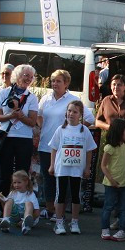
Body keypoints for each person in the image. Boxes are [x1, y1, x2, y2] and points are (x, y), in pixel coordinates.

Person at [36, 70, 85, 220]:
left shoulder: (73, 100)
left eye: (58, 81)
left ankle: (61, 212)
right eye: (53, 81)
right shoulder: (45, 98)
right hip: (46, 145)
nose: (55, 84)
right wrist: (39, 131)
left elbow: (88, 119)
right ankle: (50, 209)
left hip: (66, 148)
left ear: (66, 83)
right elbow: (39, 117)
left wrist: (74, 131)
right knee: (48, 178)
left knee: (64, 180)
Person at [48, 99, 96, 235]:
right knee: (61, 194)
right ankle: (59, 222)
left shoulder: (84, 130)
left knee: (76, 195)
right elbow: (54, 148)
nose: (71, 114)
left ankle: (74, 221)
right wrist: (52, 165)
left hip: (77, 169)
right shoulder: (61, 129)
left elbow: (89, 150)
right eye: (69, 111)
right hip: (62, 168)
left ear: (80, 115)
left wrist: (87, 168)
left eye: (75, 112)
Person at [0, 64, 39, 195]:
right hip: (6, 137)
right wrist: (10, 116)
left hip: (24, 139)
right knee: (4, 172)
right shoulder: (3, 93)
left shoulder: (32, 98)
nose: (28, 79)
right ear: (17, 76)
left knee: (22, 173)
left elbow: (32, 122)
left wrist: (20, 116)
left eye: (31, 77)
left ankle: (21, 202)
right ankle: (2, 203)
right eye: (26, 76)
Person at [100, 118, 125, 242]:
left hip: (124, 182)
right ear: (119, 132)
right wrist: (111, 180)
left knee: (124, 208)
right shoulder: (109, 148)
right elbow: (103, 165)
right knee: (108, 206)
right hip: (111, 183)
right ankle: (105, 229)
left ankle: (123, 230)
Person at [0, 170, 39, 235]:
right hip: (15, 219)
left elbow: (37, 213)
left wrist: (23, 220)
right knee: (9, 200)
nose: (16, 185)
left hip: (28, 218)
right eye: (14, 182)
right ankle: (6, 220)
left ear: (26, 182)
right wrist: (1, 200)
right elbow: (7, 208)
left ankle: (26, 224)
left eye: (19, 182)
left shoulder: (31, 194)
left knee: (29, 203)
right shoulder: (13, 193)